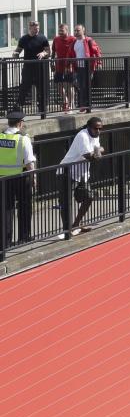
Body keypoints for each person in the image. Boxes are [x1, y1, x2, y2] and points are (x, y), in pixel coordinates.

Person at [58, 116, 104, 236]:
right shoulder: (82, 136)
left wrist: (98, 151)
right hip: (67, 171)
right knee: (66, 202)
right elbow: (91, 156)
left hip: (82, 173)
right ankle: (67, 230)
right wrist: (98, 151)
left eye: (100, 129)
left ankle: (75, 225)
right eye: (96, 128)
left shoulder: (96, 135)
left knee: (89, 196)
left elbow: (97, 151)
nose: (98, 131)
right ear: (89, 127)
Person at [0, 108, 36, 248]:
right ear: (20, 123)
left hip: (3, 179)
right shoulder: (23, 138)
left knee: (5, 210)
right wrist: (33, 178)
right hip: (20, 177)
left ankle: (5, 242)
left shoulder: (1, 137)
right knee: (24, 206)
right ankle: (24, 237)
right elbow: (29, 162)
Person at [13, 20, 49, 112]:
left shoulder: (43, 38)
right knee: (24, 87)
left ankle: (42, 107)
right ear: (30, 28)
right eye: (35, 28)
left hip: (39, 67)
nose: (36, 30)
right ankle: (19, 106)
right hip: (28, 67)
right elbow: (18, 50)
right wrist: (15, 53)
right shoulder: (24, 39)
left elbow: (48, 52)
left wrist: (43, 53)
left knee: (41, 87)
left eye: (38, 28)